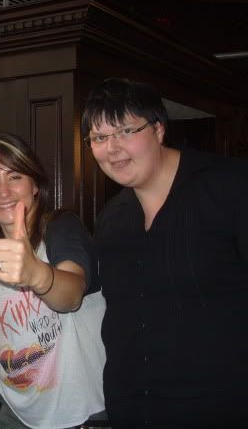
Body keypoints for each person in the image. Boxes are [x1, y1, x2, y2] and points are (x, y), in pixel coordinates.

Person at [82, 78, 248, 427]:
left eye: (126, 131)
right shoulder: (111, 216)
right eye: (99, 137)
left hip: (221, 410)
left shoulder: (230, 187)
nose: (112, 148)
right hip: (131, 409)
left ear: (158, 129)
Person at [0, 133, 106, 428]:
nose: (3, 191)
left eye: (15, 177)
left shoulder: (60, 228)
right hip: (9, 412)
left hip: (80, 415)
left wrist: (36, 273)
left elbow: (72, 293)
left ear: (35, 185)